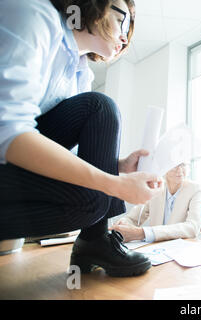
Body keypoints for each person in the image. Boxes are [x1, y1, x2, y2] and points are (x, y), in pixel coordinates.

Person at [0, 0, 160, 277]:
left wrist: (118, 166)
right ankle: (94, 240)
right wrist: (114, 184)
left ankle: (94, 241)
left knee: (93, 200)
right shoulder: (34, 15)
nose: (125, 35)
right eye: (122, 19)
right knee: (100, 110)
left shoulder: (80, 71)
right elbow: (8, 131)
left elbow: (65, 155)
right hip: (8, 153)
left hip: (16, 167)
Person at [110, 163, 201, 242]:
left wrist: (142, 233)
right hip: (158, 247)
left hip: (187, 244)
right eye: (175, 165)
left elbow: (193, 227)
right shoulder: (155, 187)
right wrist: (123, 225)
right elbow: (133, 219)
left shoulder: (195, 189)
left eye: (183, 164)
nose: (180, 170)